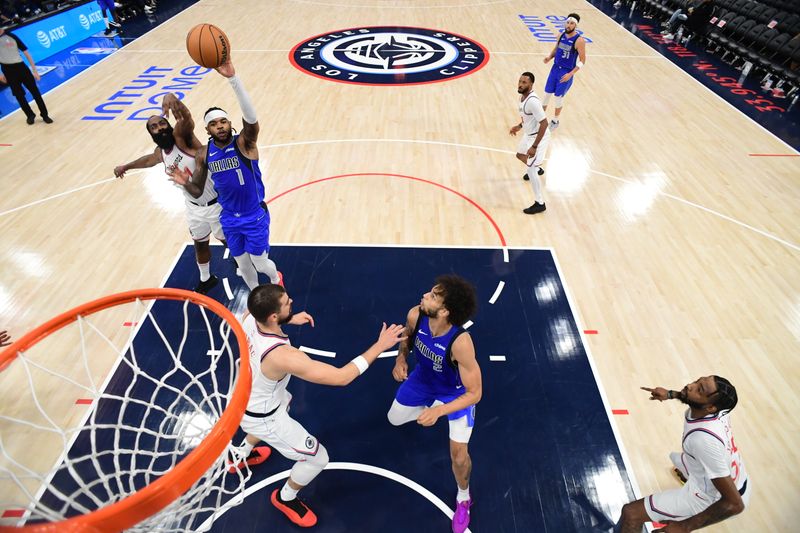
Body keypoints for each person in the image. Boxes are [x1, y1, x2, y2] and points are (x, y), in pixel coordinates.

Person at [232, 283, 405, 527]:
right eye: (286, 303)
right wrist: (380, 345)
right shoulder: (283, 356)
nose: (291, 301)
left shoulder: (250, 318)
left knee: (286, 401)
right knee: (318, 458)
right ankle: (285, 497)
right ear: (273, 316)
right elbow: (341, 377)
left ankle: (241, 453)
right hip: (263, 416)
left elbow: (258, 318)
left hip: (244, 394)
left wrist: (288, 319)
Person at [168, 59, 282, 290]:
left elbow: (251, 119)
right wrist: (184, 184)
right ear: (207, 130)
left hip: (254, 214)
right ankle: (256, 295)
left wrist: (233, 79)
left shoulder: (244, 143)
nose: (219, 126)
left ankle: (275, 280)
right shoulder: (204, 154)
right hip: (228, 217)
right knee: (243, 264)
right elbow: (198, 190)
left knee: (260, 263)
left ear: (230, 123)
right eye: (213, 124)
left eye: (223, 121)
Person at [387, 275, 482, 533]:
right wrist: (401, 359)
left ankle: (464, 497)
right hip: (423, 380)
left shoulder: (461, 343)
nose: (424, 295)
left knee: (459, 456)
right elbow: (407, 337)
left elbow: (475, 393)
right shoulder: (415, 315)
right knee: (394, 418)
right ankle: (430, 408)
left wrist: (439, 410)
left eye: (432, 296)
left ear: (444, 311)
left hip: (454, 394)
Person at [114, 93, 226, 294]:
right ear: (151, 133)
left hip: (216, 204)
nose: (159, 128)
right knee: (200, 244)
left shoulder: (183, 139)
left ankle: (246, 265)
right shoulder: (161, 152)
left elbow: (186, 118)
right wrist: (127, 166)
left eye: (161, 123)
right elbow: (149, 160)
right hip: (193, 208)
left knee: (230, 242)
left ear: (169, 124)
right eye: (154, 127)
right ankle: (206, 278)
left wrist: (171, 97)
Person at [617, 376, 749, 532]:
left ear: (711, 407)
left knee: (631, 513)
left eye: (700, 390)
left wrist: (684, 527)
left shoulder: (703, 440)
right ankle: (690, 478)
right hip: (738, 480)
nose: (690, 385)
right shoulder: (721, 410)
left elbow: (734, 504)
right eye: (697, 381)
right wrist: (670, 394)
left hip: (715, 498)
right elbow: (693, 396)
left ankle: (683, 511)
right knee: (676, 458)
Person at [509, 71, 551, 215]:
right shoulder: (522, 97)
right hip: (529, 134)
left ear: (531, 84)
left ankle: (540, 203)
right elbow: (528, 118)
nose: (520, 84)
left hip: (539, 137)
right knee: (520, 155)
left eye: (524, 82)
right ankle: (537, 167)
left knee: (530, 169)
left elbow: (544, 124)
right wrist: (519, 126)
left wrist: (534, 147)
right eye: (520, 81)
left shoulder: (532, 101)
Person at [542, 13, 587, 130]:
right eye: (567, 22)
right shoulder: (560, 35)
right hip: (555, 69)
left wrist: (571, 74)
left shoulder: (579, 40)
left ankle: (555, 120)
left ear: (575, 25)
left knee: (558, 97)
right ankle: (540, 118)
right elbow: (557, 49)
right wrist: (549, 57)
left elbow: (583, 60)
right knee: (546, 94)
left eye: (571, 23)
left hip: (566, 72)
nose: (568, 25)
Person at [0, 25, 51, 125]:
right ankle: (30, 115)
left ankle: (45, 115)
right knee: (19, 96)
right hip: (7, 70)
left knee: (35, 92)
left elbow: (26, 53)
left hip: (21, 68)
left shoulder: (12, 36)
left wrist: (35, 70)